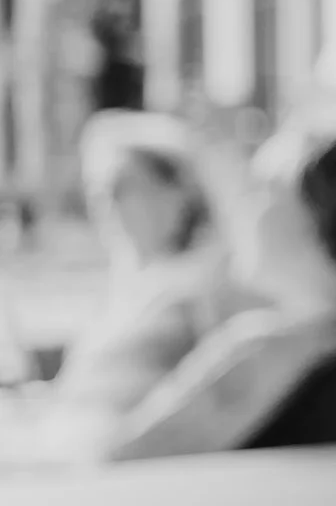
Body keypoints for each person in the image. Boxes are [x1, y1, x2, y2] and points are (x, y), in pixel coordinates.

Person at [107, 131, 336, 460]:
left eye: (261, 190)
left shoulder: (263, 353)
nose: (241, 208)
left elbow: (114, 462)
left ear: (313, 219)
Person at [48, 112, 241, 412]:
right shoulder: (130, 290)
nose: (105, 203)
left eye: (120, 186)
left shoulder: (205, 291)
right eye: (96, 190)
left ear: (177, 194)